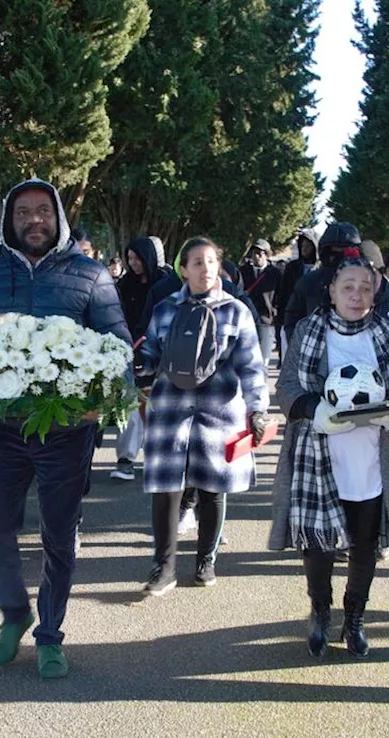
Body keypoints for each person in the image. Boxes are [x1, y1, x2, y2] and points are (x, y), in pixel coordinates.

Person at [0, 178, 130, 679]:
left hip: (65, 431)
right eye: (22, 213)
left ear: (57, 216)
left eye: (42, 211)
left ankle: (50, 634)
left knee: (58, 536)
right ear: (9, 221)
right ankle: (15, 613)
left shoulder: (90, 273)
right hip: (3, 428)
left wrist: (101, 402)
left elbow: (119, 345)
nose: (33, 220)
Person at [269, 254, 389, 657]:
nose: (356, 295)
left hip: (368, 458)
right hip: (319, 453)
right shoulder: (309, 330)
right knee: (317, 547)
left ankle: (355, 617)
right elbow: (287, 385)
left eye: (365, 288)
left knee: (364, 544)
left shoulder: (387, 334)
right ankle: (320, 611)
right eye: (348, 287)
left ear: (376, 293)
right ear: (332, 292)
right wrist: (313, 410)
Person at [136, 237, 269, 595]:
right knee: (166, 489)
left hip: (219, 410)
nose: (205, 268)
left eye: (211, 261)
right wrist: (138, 366)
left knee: (213, 489)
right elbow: (149, 353)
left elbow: (252, 366)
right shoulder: (165, 309)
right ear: (183, 269)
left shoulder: (236, 311)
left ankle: (206, 559)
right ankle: (163, 568)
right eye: (196, 262)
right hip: (170, 410)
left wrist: (258, 408)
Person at [111, 236, 170, 482]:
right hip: (128, 350)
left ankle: (159, 457)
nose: (134, 263)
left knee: (157, 407)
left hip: (158, 353)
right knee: (130, 405)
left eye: (138, 258)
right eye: (130, 258)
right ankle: (126, 458)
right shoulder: (124, 285)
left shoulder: (166, 285)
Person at [275, 228, 320, 356]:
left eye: (308, 246)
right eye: (302, 246)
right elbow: (284, 294)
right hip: (293, 317)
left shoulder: (321, 268)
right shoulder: (292, 267)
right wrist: (281, 319)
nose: (304, 249)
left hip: (313, 319)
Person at [239, 238, 281, 364]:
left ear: (267, 255)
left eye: (260, 253)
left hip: (266, 321)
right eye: (254, 253)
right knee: (247, 358)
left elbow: (280, 295)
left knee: (263, 359)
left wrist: (274, 313)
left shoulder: (275, 273)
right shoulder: (243, 271)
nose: (256, 256)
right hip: (247, 320)